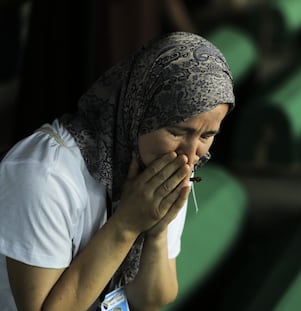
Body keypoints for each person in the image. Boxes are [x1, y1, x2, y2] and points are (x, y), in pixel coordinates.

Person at [0, 31, 235, 310]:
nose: (191, 153)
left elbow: (151, 299)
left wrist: (156, 233)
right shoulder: (44, 175)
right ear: (140, 111)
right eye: (176, 130)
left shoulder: (164, 164)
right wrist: (127, 224)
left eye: (207, 135)